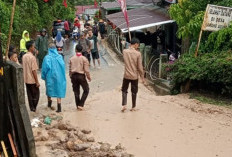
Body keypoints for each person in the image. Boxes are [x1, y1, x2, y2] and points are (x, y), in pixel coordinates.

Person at [121, 38, 145, 112]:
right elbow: (140, 67)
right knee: (134, 92)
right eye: (138, 45)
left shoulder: (125, 51)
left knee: (124, 90)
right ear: (136, 44)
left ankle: (124, 105)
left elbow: (126, 48)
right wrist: (142, 77)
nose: (138, 46)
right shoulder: (138, 53)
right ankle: (133, 107)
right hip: (134, 76)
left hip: (126, 75)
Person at [41, 43, 66, 112]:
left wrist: (43, 76)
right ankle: (59, 107)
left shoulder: (47, 58)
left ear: (48, 49)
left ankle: (49, 105)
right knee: (59, 90)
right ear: (55, 48)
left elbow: (45, 68)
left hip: (50, 76)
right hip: (59, 76)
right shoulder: (60, 57)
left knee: (49, 89)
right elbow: (63, 67)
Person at [69, 44, 91, 110]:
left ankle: (77, 106)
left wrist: (70, 76)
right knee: (86, 90)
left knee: (76, 92)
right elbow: (86, 70)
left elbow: (70, 69)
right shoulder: (84, 59)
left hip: (73, 76)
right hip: (81, 76)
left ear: (75, 50)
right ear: (82, 50)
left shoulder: (71, 58)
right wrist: (88, 77)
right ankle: (81, 104)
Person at [22, 40, 40, 112]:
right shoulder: (32, 58)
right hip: (32, 80)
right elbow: (34, 70)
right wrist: (37, 82)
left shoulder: (24, 56)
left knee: (30, 95)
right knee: (36, 95)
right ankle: (34, 108)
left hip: (26, 79)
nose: (34, 47)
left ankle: (32, 109)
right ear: (30, 48)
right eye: (33, 46)